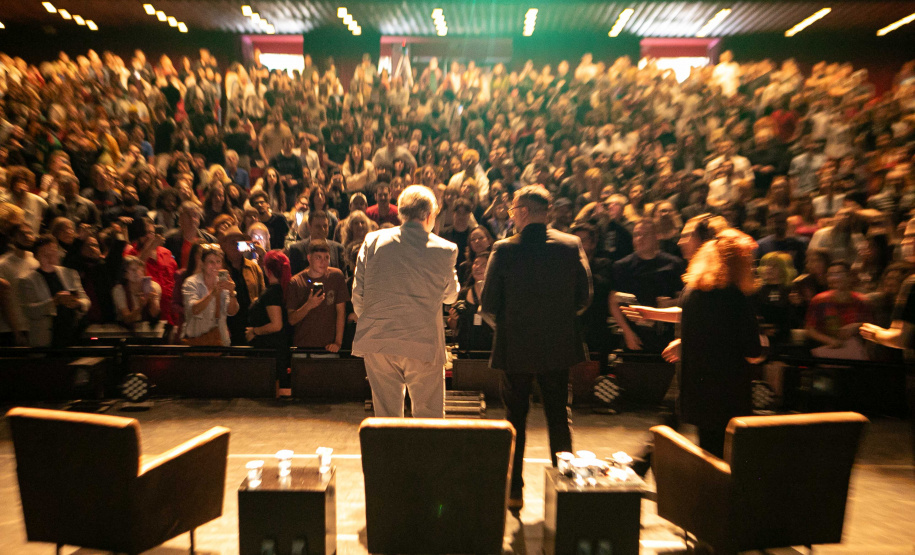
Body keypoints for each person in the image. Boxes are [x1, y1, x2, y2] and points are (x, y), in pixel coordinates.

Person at [480, 185, 592, 510]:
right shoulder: (570, 245)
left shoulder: (504, 249)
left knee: (515, 418)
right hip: (557, 347)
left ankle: (514, 492)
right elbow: (585, 297)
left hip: (515, 347)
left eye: (513, 210)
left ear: (524, 212)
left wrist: (509, 324)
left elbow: (489, 303)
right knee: (558, 417)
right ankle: (566, 492)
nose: (511, 216)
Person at [352, 185, 459, 418]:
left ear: (401, 213)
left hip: (378, 340)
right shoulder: (445, 249)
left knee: (386, 417)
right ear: (429, 215)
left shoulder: (373, 240)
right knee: (428, 418)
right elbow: (451, 296)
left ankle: (390, 445)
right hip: (423, 343)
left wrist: (375, 321)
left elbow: (358, 295)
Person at [679, 228, 764, 457]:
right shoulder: (736, 297)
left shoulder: (690, 292)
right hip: (728, 393)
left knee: (707, 450)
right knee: (728, 456)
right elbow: (752, 351)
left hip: (697, 388)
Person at [19, 234, 91, 347]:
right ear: (36, 256)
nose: (50, 258)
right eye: (45, 254)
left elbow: (85, 300)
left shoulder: (70, 273)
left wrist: (78, 303)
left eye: (53, 253)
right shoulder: (27, 280)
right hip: (46, 339)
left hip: (73, 335)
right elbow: (30, 311)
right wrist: (55, 301)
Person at [287, 240, 348, 352]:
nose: (323, 262)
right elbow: (291, 319)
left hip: (329, 347)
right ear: (309, 258)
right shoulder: (296, 282)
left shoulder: (336, 276)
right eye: (318, 257)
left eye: (326, 257)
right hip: (303, 347)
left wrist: (338, 342)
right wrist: (309, 305)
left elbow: (341, 312)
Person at [247, 251, 292, 391]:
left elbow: (276, 325)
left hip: (271, 350)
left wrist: (255, 331)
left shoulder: (272, 293)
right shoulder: (283, 290)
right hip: (278, 349)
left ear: (268, 270)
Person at [182, 244, 239, 346]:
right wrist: (212, 294)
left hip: (220, 341)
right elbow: (194, 310)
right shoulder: (191, 283)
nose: (215, 266)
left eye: (218, 262)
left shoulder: (223, 283)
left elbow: (232, 312)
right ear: (203, 264)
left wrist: (232, 293)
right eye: (211, 262)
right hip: (196, 342)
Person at [112, 255, 162, 325]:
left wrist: (153, 300)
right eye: (131, 269)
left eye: (138, 268)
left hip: (147, 327)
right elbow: (127, 319)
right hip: (125, 328)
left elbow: (154, 315)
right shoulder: (119, 290)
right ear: (125, 274)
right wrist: (140, 307)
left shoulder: (153, 286)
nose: (136, 272)